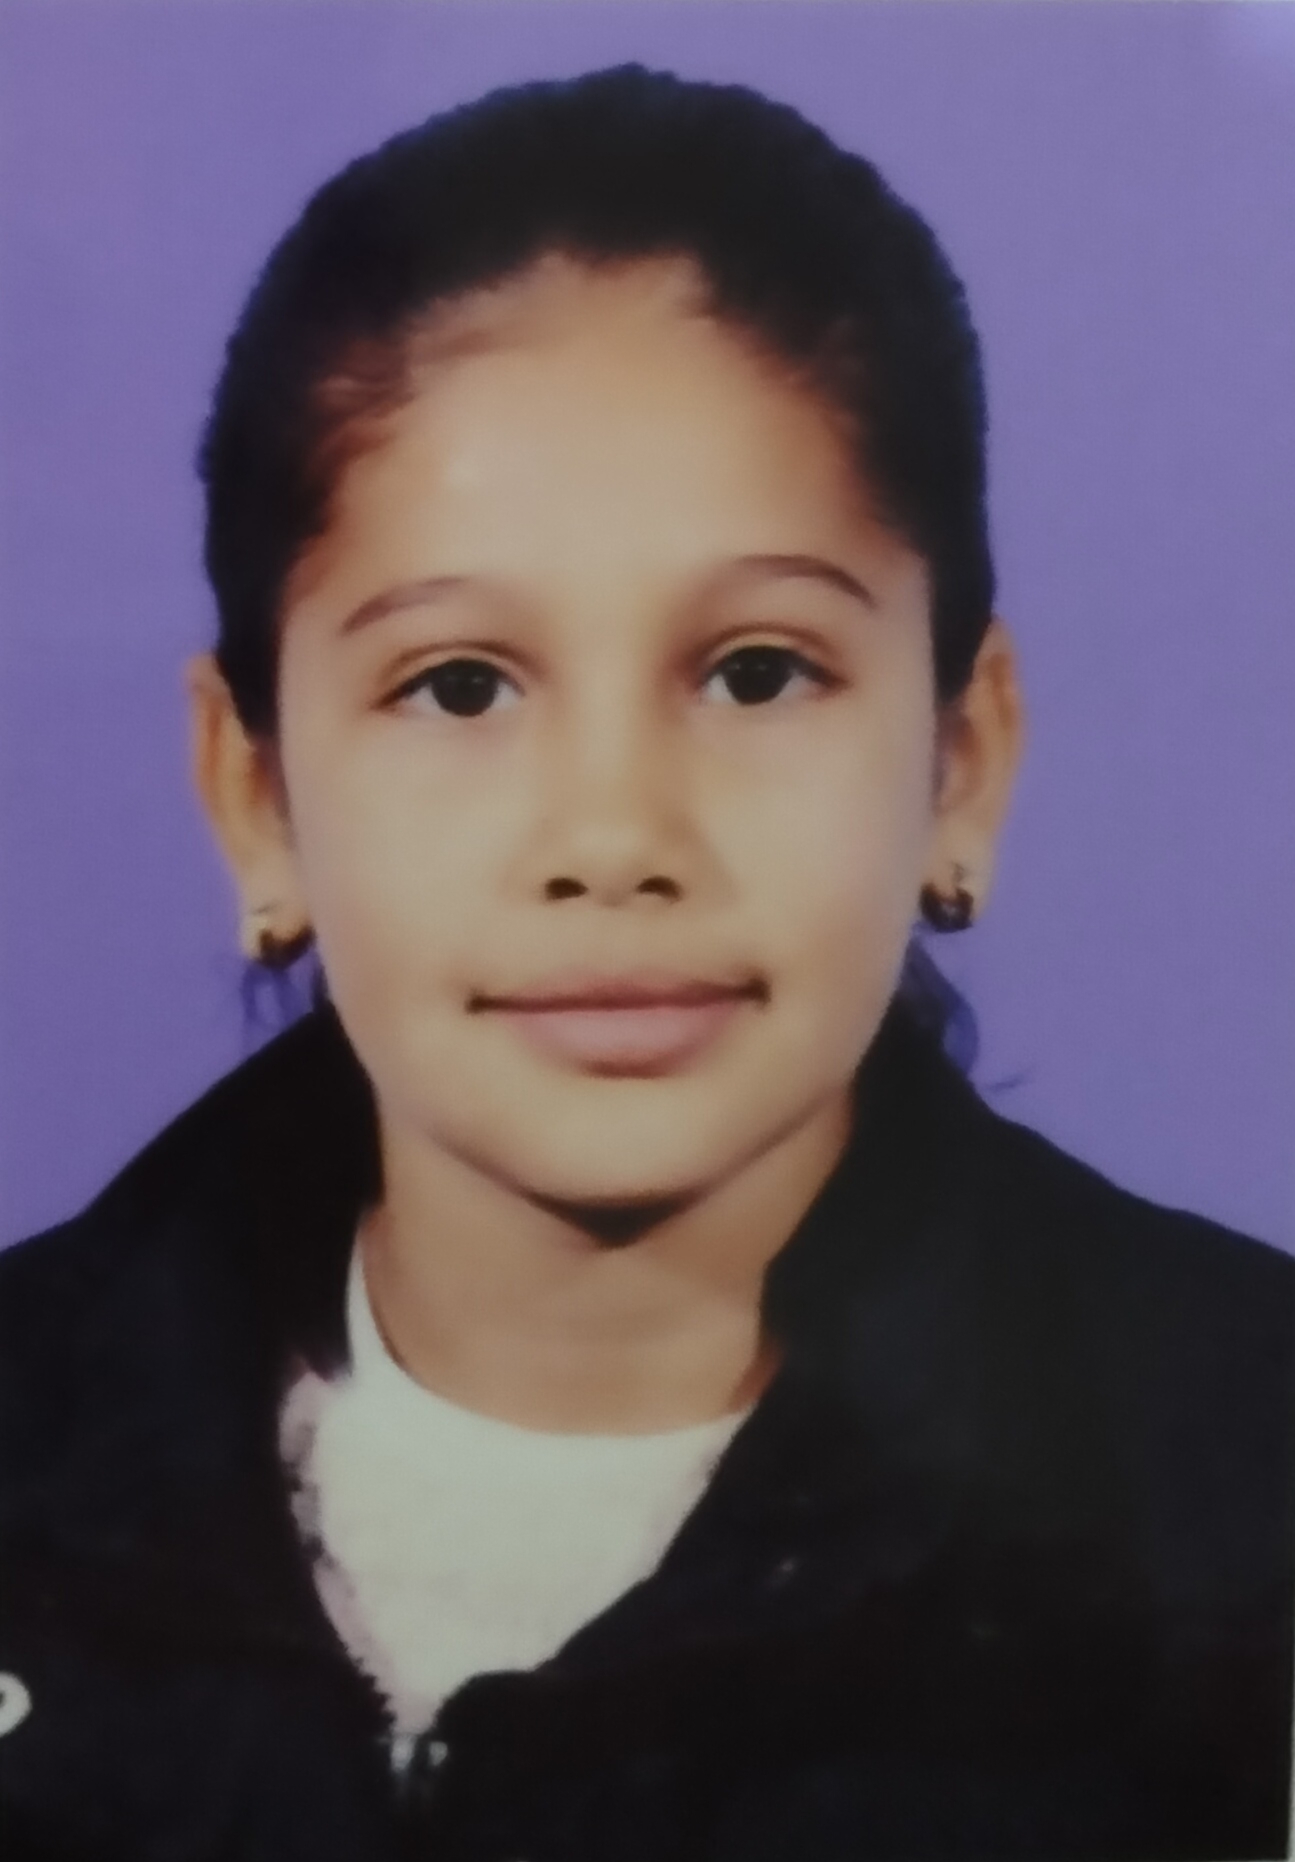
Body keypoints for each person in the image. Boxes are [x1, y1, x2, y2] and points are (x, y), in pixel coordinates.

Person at [0, 64, 1290, 1862]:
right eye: (460, 686)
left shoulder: (1247, 1488)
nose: (614, 835)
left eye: (758, 671)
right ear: (257, 794)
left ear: (961, 759)